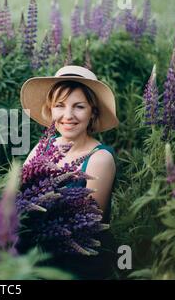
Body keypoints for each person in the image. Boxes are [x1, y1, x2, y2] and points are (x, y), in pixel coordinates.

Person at [19, 65, 120, 279]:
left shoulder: (100, 158)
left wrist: (39, 212)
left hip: (76, 262)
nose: (68, 115)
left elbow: (89, 223)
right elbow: (18, 192)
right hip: (34, 252)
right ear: (50, 109)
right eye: (60, 105)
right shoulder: (43, 146)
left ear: (92, 111)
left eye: (79, 107)